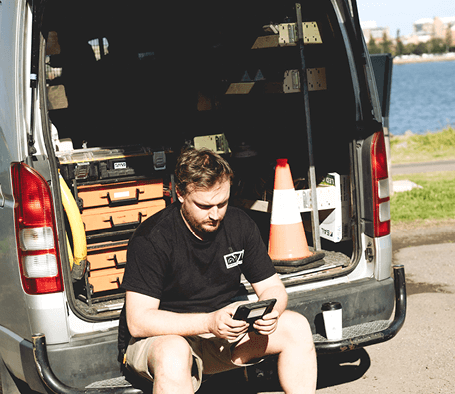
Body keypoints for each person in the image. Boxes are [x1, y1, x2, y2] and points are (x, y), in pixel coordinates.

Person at [118, 148, 317, 394]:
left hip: (223, 335)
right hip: (165, 339)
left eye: (222, 203)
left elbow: (272, 287)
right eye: (204, 205)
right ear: (180, 194)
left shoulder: (239, 224)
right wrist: (209, 322)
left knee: (296, 326)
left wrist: (271, 312)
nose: (215, 214)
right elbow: (138, 322)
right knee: (173, 352)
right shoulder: (152, 238)